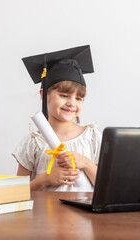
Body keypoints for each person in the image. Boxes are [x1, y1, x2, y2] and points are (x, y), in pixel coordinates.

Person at [12, 45, 101, 191]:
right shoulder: (33, 142)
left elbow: (105, 187)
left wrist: (86, 163)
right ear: (43, 94)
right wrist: (44, 179)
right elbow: (17, 192)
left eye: (79, 98)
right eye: (64, 95)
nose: (71, 103)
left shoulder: (91, 137)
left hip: (84, 213)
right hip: (44, 213)